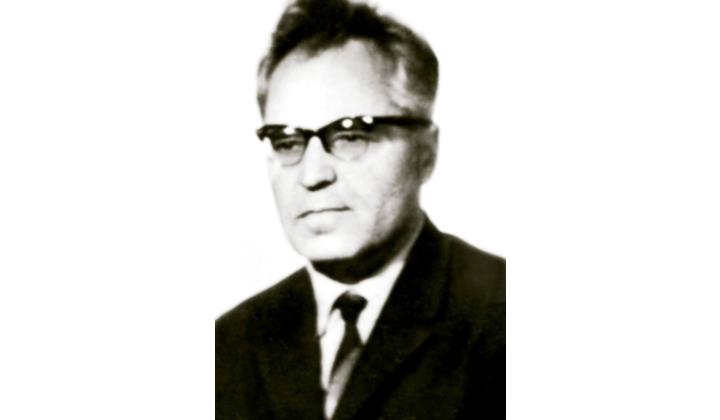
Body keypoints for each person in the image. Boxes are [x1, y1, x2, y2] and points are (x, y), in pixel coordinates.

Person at [215, 1, 505, 419]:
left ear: (425, 153)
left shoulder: (503, 317)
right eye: (287, 142)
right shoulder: (228, 344)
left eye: (351, 136)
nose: (312, 175)